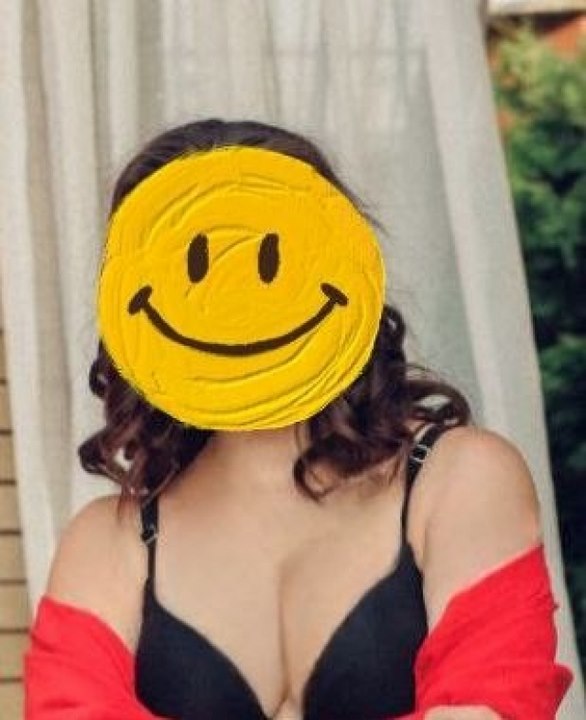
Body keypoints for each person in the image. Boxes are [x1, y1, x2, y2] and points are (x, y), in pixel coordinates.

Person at [25, 119, 572, 720]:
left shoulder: (460, 479)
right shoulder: (107, 543)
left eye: (267, 258)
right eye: (198, 268)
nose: (235, 298)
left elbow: (491, 706)